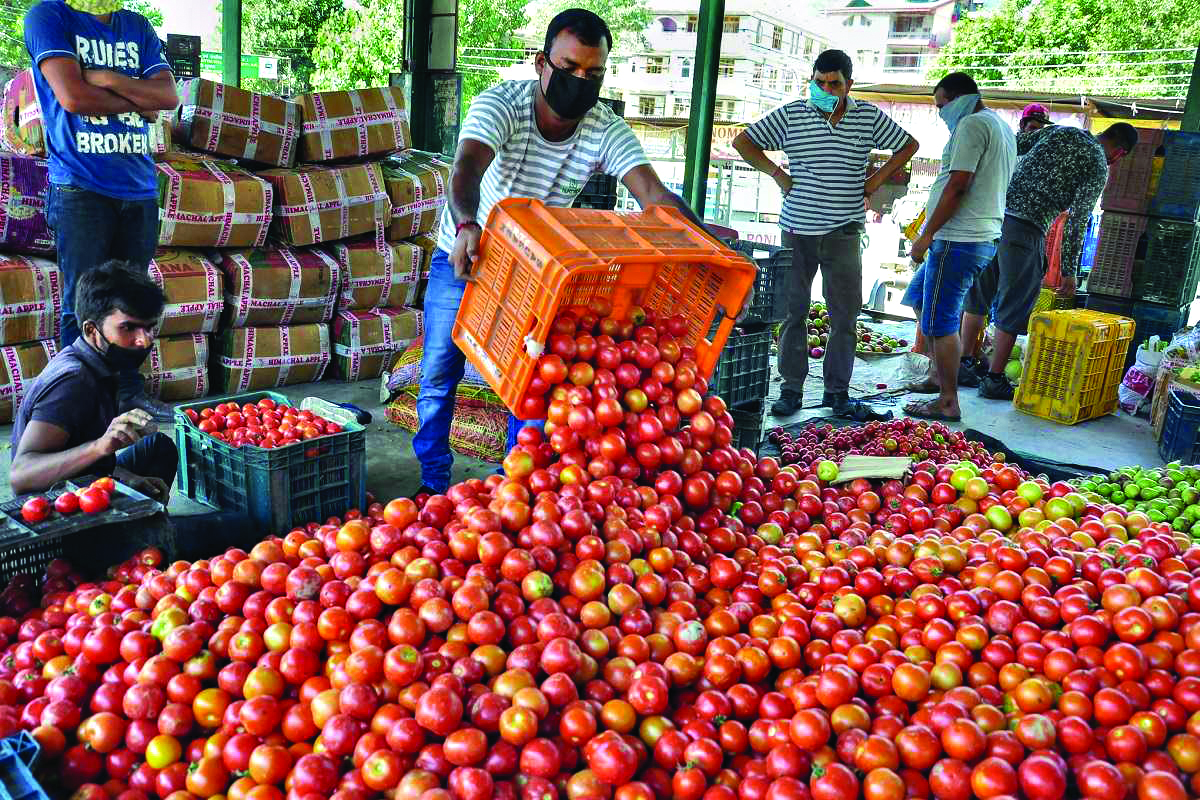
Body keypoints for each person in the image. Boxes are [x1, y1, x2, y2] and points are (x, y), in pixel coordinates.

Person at [417, 8, 719, 495]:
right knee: (439, 373)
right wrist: (468, 224)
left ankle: (517, 486)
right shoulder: (501, 105)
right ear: (541, 63)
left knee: (531, 384)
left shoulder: (603, 127)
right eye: (570, 67)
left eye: (593, 72)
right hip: (468, 251)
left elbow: (655, 198)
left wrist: (713, 251)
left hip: (538, 267)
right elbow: (466, 168)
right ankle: (432, 483)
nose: (581, 80)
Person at [733, 49, 918, 418]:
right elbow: (744, 142)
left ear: (849, 84)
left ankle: (837, 391)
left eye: (834, 84)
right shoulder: (791, 114)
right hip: (797, 229)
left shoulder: (866, 116)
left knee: (845, 315)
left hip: (845, 229)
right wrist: (778, 174)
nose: (825, 89)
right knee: (792, 312)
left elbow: (909, 145)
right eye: (819, 82)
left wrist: (875, 180)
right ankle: (791, 390)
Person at [24, 0, 179, 421]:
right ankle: (76, 405)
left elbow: (166, 96)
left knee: (133, 304)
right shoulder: (49, 17)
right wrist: (135, 97)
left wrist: (107, 78)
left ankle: (128, 394)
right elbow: (73, 97)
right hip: (80, 187)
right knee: (83, 302)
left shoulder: (137, 26)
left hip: (139, 188)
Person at [959, 121, 1139, 400]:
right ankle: (994, 380)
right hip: (1025, 229)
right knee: (1016, 302)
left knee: (979, 293)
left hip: (993, 218)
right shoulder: (1097, 164)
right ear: (1119, 153)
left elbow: (1013, 145)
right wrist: (1069, 271)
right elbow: (1078, 220)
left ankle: (963, 365)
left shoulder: (1061, 130)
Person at [900, 73, 1015, 422]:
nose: (940, 114)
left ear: (960, 98)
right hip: (974, 238)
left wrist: (926, 235)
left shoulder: (971, 126)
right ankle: (938, 374)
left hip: (958, 239)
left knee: (941, 321)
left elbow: (958, 186)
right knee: (921, 300)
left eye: (941, 106)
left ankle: (948, 400)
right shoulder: (1000, 126)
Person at [10, 261, 175, 502]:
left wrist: (127, 478)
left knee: (159, 446)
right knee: (235, 525)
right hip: (59, 508)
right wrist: (100, 446)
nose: (144, 341)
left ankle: (145, 526)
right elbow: (21, 475)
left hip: (85, 479)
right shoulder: (73, 382)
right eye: (128, 327)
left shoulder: (101, 363)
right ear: (91, 330)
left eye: (149, 328)